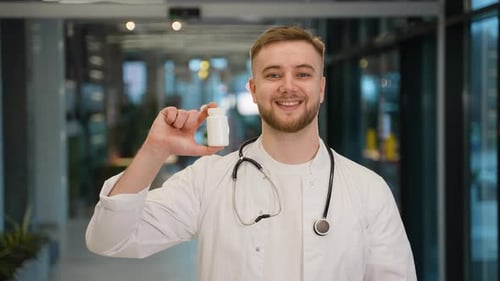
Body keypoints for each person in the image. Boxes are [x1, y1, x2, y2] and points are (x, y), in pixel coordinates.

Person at [86, 26, 417, 281]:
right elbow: (109, 239)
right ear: (254, 90)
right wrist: (154, 151)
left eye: (303, 73)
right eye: (273, 75)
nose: (288, 86)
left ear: (322, 88)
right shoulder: (208, 180)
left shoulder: (368, 190)